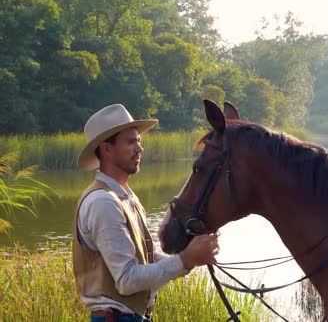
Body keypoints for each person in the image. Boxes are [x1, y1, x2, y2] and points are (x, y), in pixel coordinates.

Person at [72, 104, 220, 322]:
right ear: (107, 149)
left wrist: (190, 257)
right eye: (130, 142)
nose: (140, 148)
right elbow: (127, 279)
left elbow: (143, 260)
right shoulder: (103, 202)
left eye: (139, 141)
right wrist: (185, 259)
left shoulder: (125, 196)